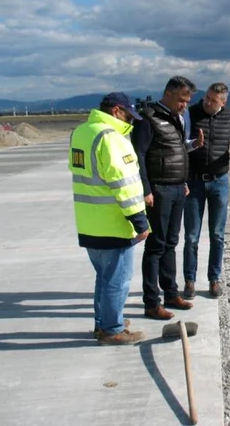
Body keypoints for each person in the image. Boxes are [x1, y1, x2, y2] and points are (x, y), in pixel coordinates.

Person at [69, 92, 149, 346]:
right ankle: (112, 329)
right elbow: (123, 184)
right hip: (113, 223)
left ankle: (102, 322)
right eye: (128, 114)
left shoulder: (81, 132)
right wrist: (139, 220)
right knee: (118, 279)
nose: (131, 121)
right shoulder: (111, 138)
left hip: (89, 222)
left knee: (104, 277)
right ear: (116, 110)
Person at [131, 76, 203, 320]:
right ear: (169, 93)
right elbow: (139, 155)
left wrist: (183, 182)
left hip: (176, 188)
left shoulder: (178, 119)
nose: (185, 105)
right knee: (155, 246)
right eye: (182, 100)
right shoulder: (148, 117)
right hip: (159, 190)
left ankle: (171, 293)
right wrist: (146, 189)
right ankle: (152, 302)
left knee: (171, 243)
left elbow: (179, 150)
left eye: (187, 101)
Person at [183, 82, 230, 299]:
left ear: (223, 101)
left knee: (217, 235)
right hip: (194, 182)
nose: (207, 102)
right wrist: (195, 144)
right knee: (192, 236)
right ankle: (190, 281)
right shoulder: (191, 114)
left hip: (219, 182)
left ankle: (214, 279)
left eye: (212, 100)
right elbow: (182, 145)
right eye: (206, 98)